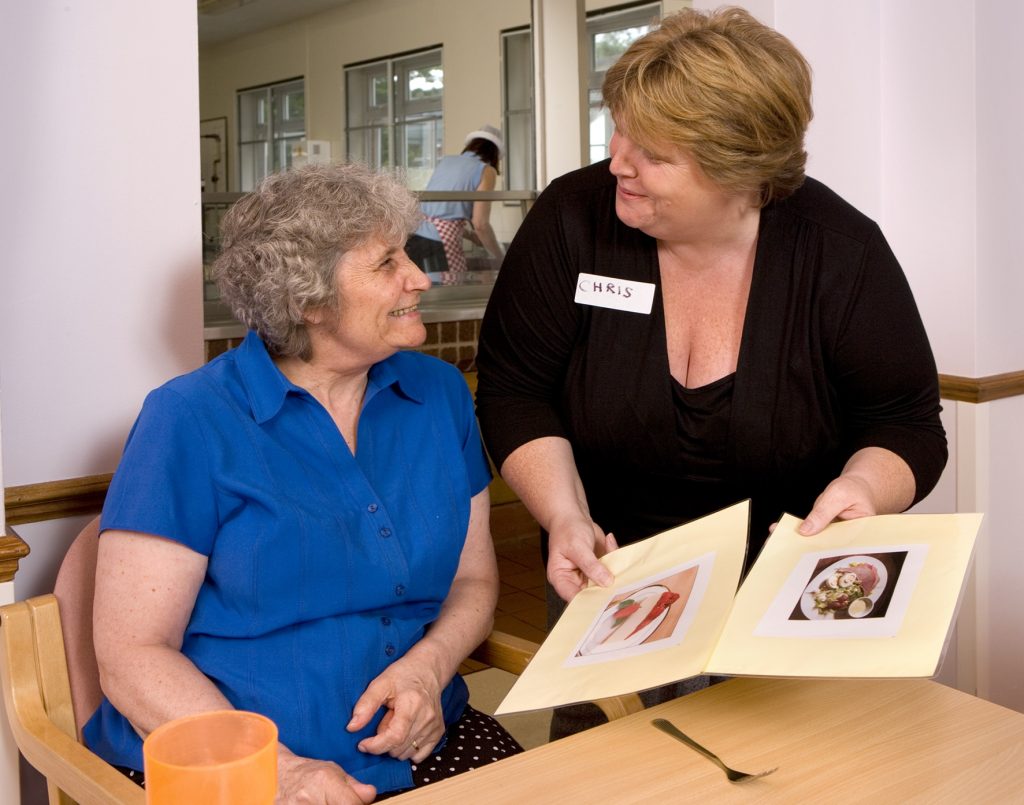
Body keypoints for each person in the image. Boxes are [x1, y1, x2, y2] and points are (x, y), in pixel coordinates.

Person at [475, 7, 947, 738]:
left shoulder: (840, 253)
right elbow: (515, 391)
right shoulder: (573, 219)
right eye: (619, 128)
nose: (618, 161)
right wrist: (563, 514)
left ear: (741, 170)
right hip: (611, 587)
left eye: (654, 153)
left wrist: (861, 488)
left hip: (782, 603)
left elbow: (906, 425)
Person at [85, 162, 522, 802]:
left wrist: (428, 669)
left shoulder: (439, 395)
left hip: (424, 735)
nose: (418, 278)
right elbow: (133, 652)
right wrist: (276, 770)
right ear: (307, 300)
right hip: (232, 760)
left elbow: (474, 581)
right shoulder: (190, 419)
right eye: (386, 263)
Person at [406, 125, 506, 273]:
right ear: (495, 153)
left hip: (415, 236)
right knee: (445, 292)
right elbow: (480, 224)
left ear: (472, 145)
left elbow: (440, 216)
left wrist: (471, 236)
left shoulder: (447, 161)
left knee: (424, 292)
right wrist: (501, 258)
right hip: (438, 244)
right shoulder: (486, 170)